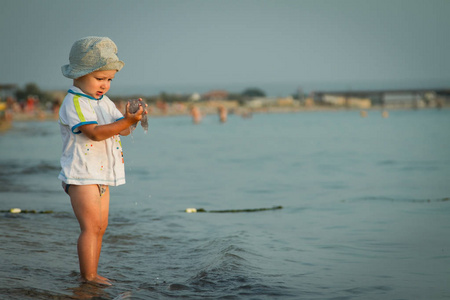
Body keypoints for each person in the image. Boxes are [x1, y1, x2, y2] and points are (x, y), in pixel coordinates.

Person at [58, 36, 147, 285]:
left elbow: (123, 130)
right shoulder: (75, 101)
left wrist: (132, 119)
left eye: (109, 79)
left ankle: (93, 273)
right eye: (100, 79)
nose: (105, 85)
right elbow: (94, 133)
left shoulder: (104, 101)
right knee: (90, 226)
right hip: (81, 174)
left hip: (101, 173)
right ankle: (88, 276)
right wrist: (125, 123)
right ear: (78, 74)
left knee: (100, 227)